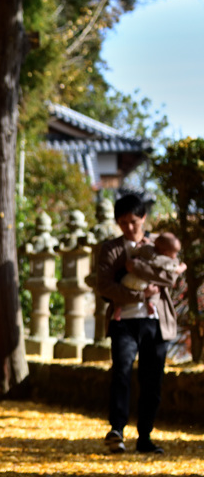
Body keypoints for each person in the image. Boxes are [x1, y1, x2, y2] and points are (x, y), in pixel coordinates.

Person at [95, 193, 182, 455]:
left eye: (133, 221)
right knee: (121, 371)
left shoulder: (160, 245)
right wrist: (138, 294)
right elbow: (104, 286)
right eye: (122, 223)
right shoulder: (110, 249)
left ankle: (145, 436)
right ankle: (117, 430)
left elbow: (172, 277)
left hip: (156, 322)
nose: (129, 227)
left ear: (143, 218)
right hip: (124, 320)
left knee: (152, 379)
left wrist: (140, 270)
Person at [113, 231, 185, 320]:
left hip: (128, 279)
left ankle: (118, 308)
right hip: (144, 284)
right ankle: (151, 303)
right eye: (175, 253)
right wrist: (180, 268)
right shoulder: (162, 258)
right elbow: (170, 270)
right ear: (165, 252)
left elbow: (134, 252)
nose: (175, 256)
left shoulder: (146, 247)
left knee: (120, 292)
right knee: (156, 290)